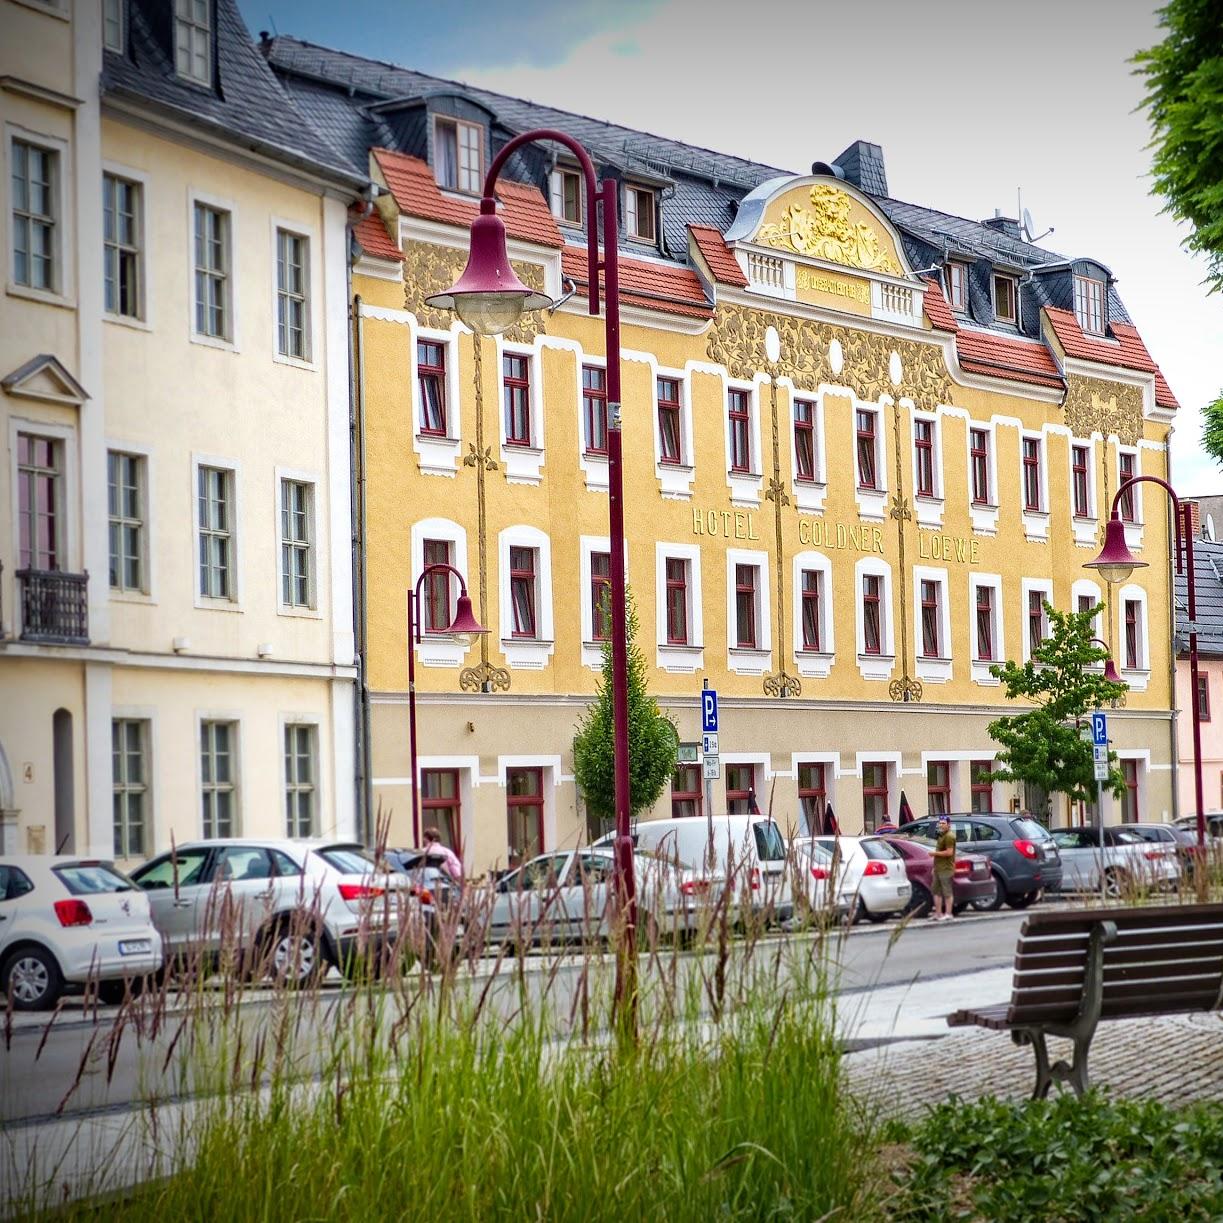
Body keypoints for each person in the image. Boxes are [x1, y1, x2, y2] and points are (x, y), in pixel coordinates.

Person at [931, 816, 956, 921]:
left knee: (947, 892)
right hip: (938, 867)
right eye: (940, 823)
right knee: (936, 891)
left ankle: (949, 913)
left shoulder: (949, 836)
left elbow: (949, 852)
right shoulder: (941, 835)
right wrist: (934, 867)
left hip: (946, 868)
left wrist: (934, 853)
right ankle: (938, 913)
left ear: (949, 824)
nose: (941, 825)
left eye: (943, 823)